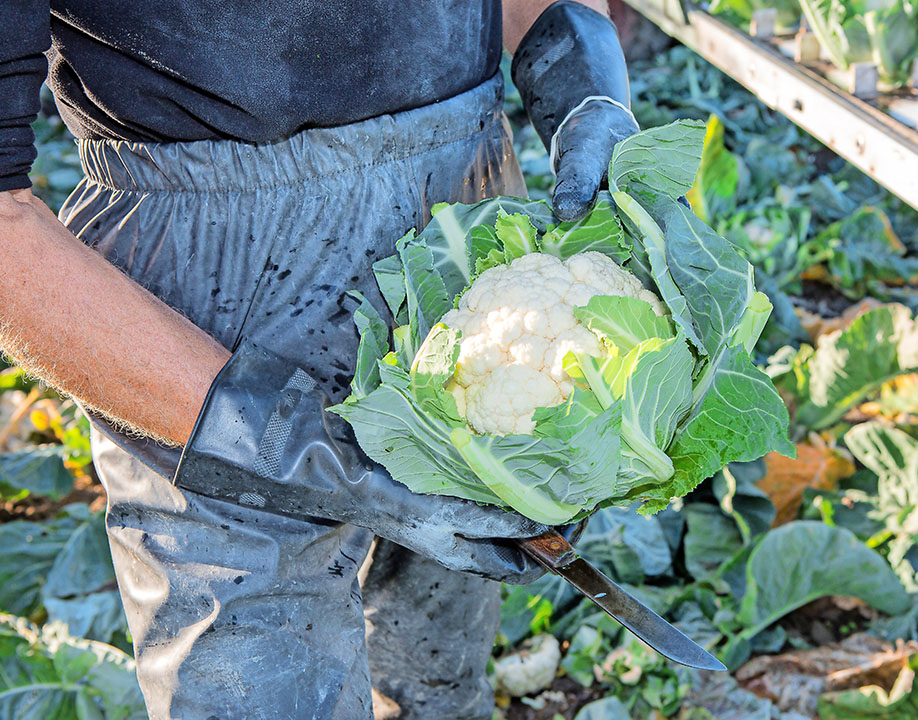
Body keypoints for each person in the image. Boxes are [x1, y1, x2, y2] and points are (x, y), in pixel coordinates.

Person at [0, 1, 640, 718]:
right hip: (206, 316)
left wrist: (580, 69)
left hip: (463, 223)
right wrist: (290, 447)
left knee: (438, 660)